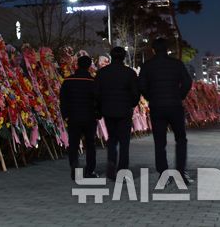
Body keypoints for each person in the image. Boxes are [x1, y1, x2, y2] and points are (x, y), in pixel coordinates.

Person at [138, 38, 193, 182]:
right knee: (181, 139)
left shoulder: (147, 65)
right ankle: (181, 172)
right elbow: (187, 81)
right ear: (167, 49)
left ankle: (164, 173)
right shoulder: (176, 64)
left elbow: (142, 85)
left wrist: (150, 97)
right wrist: (180, 95)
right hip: (175, 105)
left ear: (153, 50)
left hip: (157, 107)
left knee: (159, 141)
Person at [95, 46, 139, 180]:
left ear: (111, 57)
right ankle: (122, 170)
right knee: (125, 142)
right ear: (124, 57)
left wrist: (99, 108)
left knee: (112, 139)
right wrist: (131, 104)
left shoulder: (102, 73)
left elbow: (97, 93)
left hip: (108, 110)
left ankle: (111, 163)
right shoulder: (130, 73)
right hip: (125, 111)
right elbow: (136, 93)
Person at [60, 55, 99, 179]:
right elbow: (98, 100)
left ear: (77, 65)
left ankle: (74, 168)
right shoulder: (93, 82)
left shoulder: (68, 81)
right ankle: (90, 170)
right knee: (90, 144)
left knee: (73, 144)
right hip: (89, 117)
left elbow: (63, 100)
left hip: (73, 117)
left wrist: (65, 115)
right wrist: (98, 114)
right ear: (89, 66)